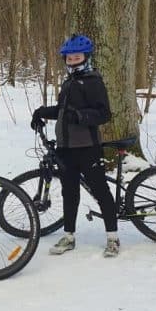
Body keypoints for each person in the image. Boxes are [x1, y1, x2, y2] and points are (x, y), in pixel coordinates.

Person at [31, 34, 120, 258]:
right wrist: (42, 112)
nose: (72, 61)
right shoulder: (69, 82)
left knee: (101, 191)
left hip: (88, 147)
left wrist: (80, 116)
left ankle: (112, 237)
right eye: (68, 58)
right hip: (66, 149)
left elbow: (104, 114)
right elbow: (63, 111)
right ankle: (68, 236)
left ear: (86, 57)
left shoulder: (93, 81)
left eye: (77, 57)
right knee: (69, 193)